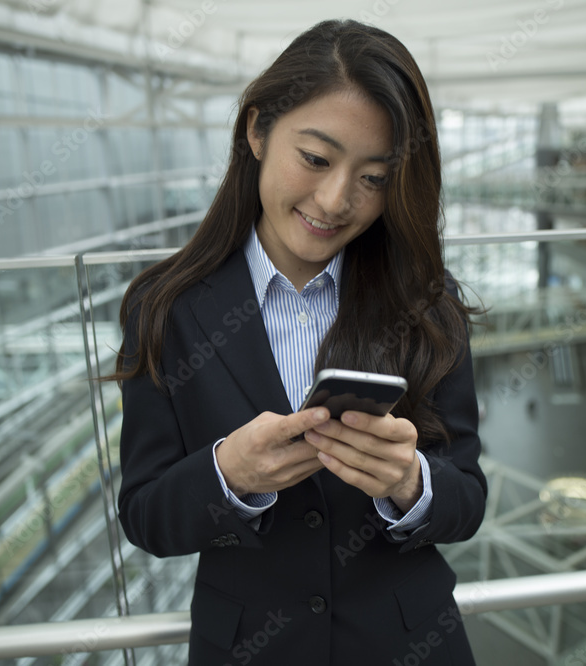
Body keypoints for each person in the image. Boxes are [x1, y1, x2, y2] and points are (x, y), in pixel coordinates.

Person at [113, 19, 487, 665]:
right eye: (315, 159)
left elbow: (468, 499)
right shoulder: (166, 308)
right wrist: (227, 475)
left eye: (374, 178)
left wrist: (410, 481)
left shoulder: (426, 302)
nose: (336, 200)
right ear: (257, 130)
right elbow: (145, 515)